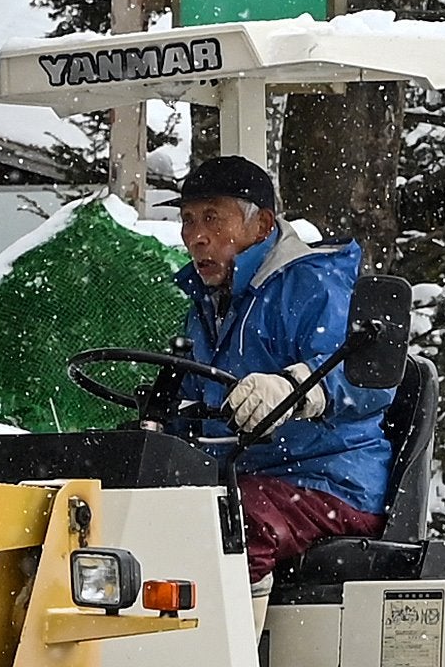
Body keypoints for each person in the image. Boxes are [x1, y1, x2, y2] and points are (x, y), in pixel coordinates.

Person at [166, 153, 411, 576]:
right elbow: (195, 399)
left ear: (261, 225)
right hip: (246, 479)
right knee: (145, 513)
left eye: (212, 218)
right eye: (188, 220)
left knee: (231, 528)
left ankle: (235, 643)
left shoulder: (312, 283)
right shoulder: (208, 304)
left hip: (330, 482)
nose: (196, 236)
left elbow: (367, 381)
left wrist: (294, 389)